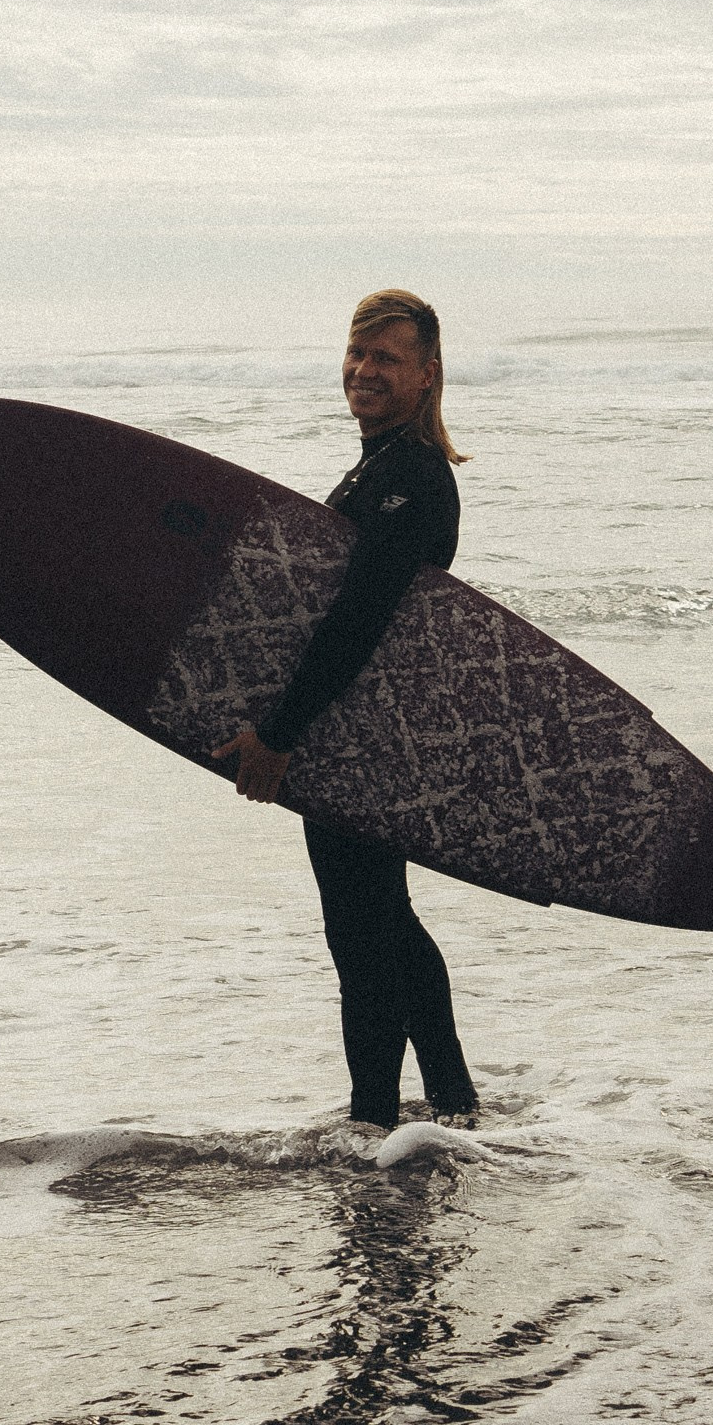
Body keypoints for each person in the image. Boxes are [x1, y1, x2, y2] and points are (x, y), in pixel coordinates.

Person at [211, 290, 480, 1134]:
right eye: (358, 354)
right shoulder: (381, 467)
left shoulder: (411, 477)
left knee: (363, 939)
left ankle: (374, 1128)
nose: (365, 371)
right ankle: (451, 1102)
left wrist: (279, 733)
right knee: (387, 923)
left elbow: (360, 616)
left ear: (427, 376)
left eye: (387, 359)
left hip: (357, 740)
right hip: (359, 734)